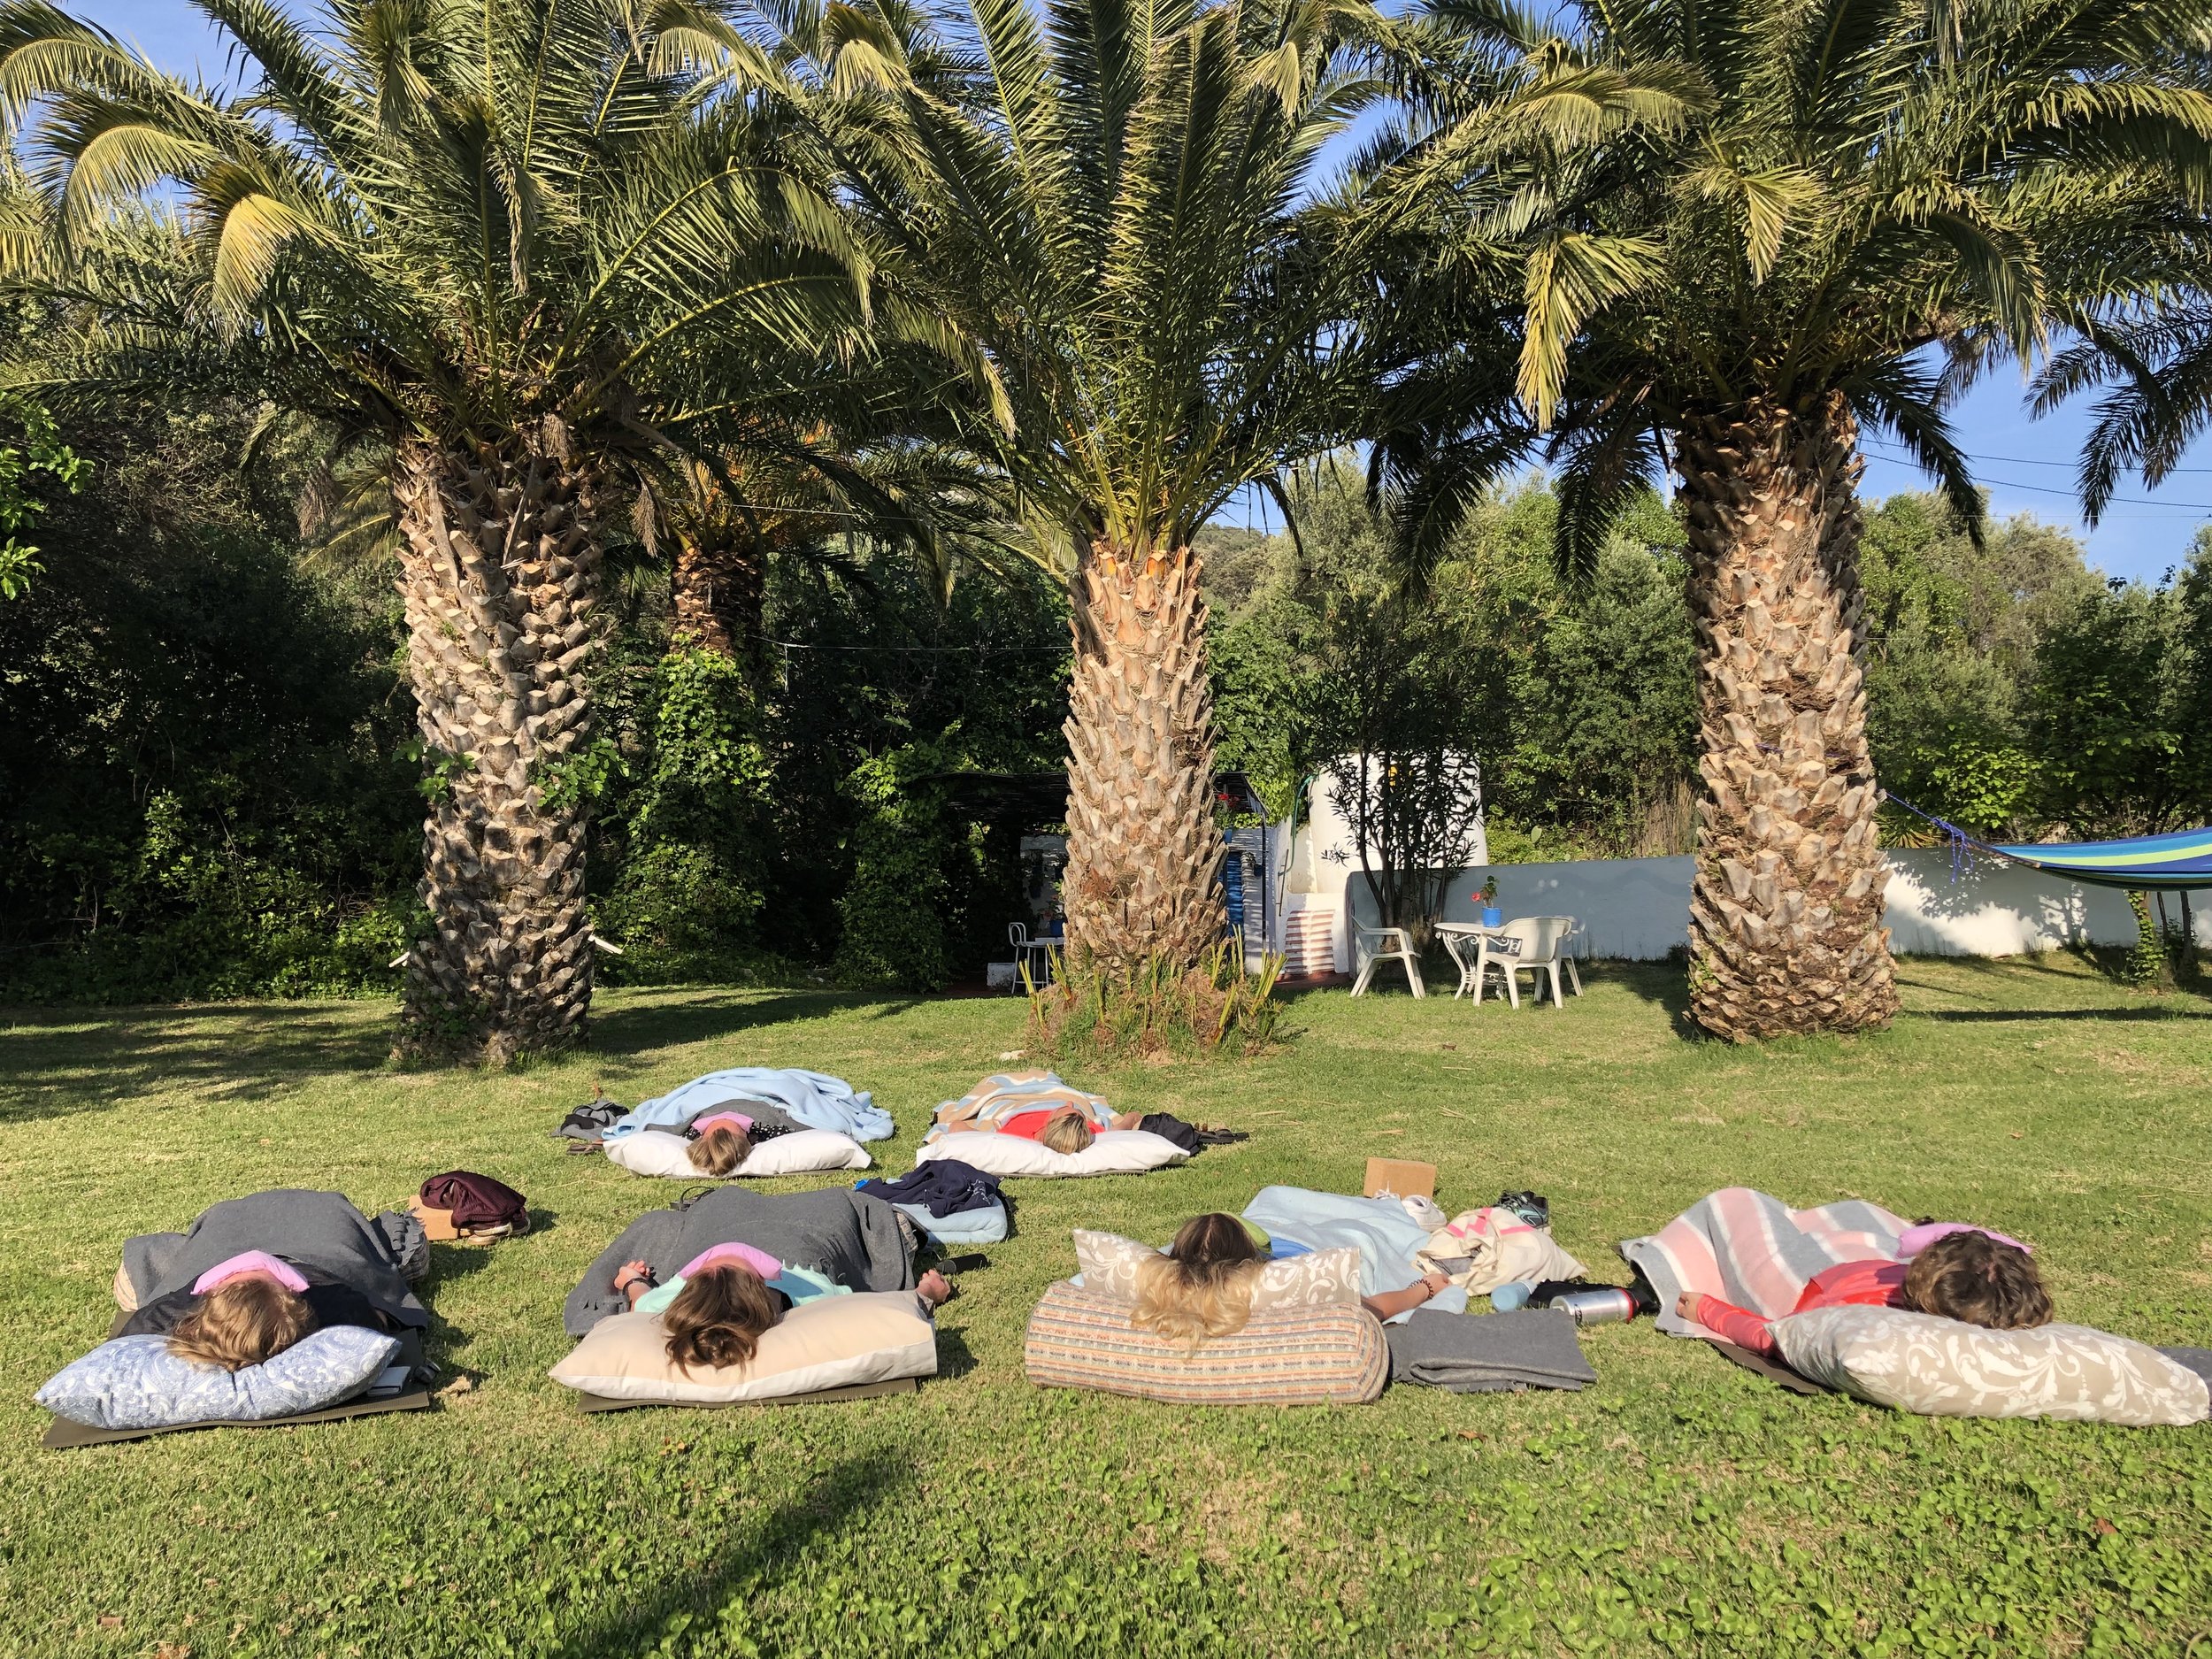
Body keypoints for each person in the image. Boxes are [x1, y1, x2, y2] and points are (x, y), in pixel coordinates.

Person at [115, 1191, 427, 1371]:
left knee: (404, 1251)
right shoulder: (169, 1311)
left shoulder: (334, 1303)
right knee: (135, 1283)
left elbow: (380, 1323)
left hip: (323, 1218)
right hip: (225, 1226)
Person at [1679, 1226, 2052, 1360]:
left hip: (1837, 1271)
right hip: (1845, 1267)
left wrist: (1709, 1310)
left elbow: (1774, 1336)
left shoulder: (1865, 1317)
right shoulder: (1991, 1299)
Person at [611, 1241, 954, 1371]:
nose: (729, 1252)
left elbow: (638, 1295)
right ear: (764, 1286)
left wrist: (628, 1279)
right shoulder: (818, 1299)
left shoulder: (662, 1303)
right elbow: (886, 1311)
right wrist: (928, 1292)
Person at [1129, 1212, 1454, 1346]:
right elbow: (1374, 1308)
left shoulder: (1158, 1289)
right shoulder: (1276, 1285)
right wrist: (1424, 1288)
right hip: (1294, 1245)